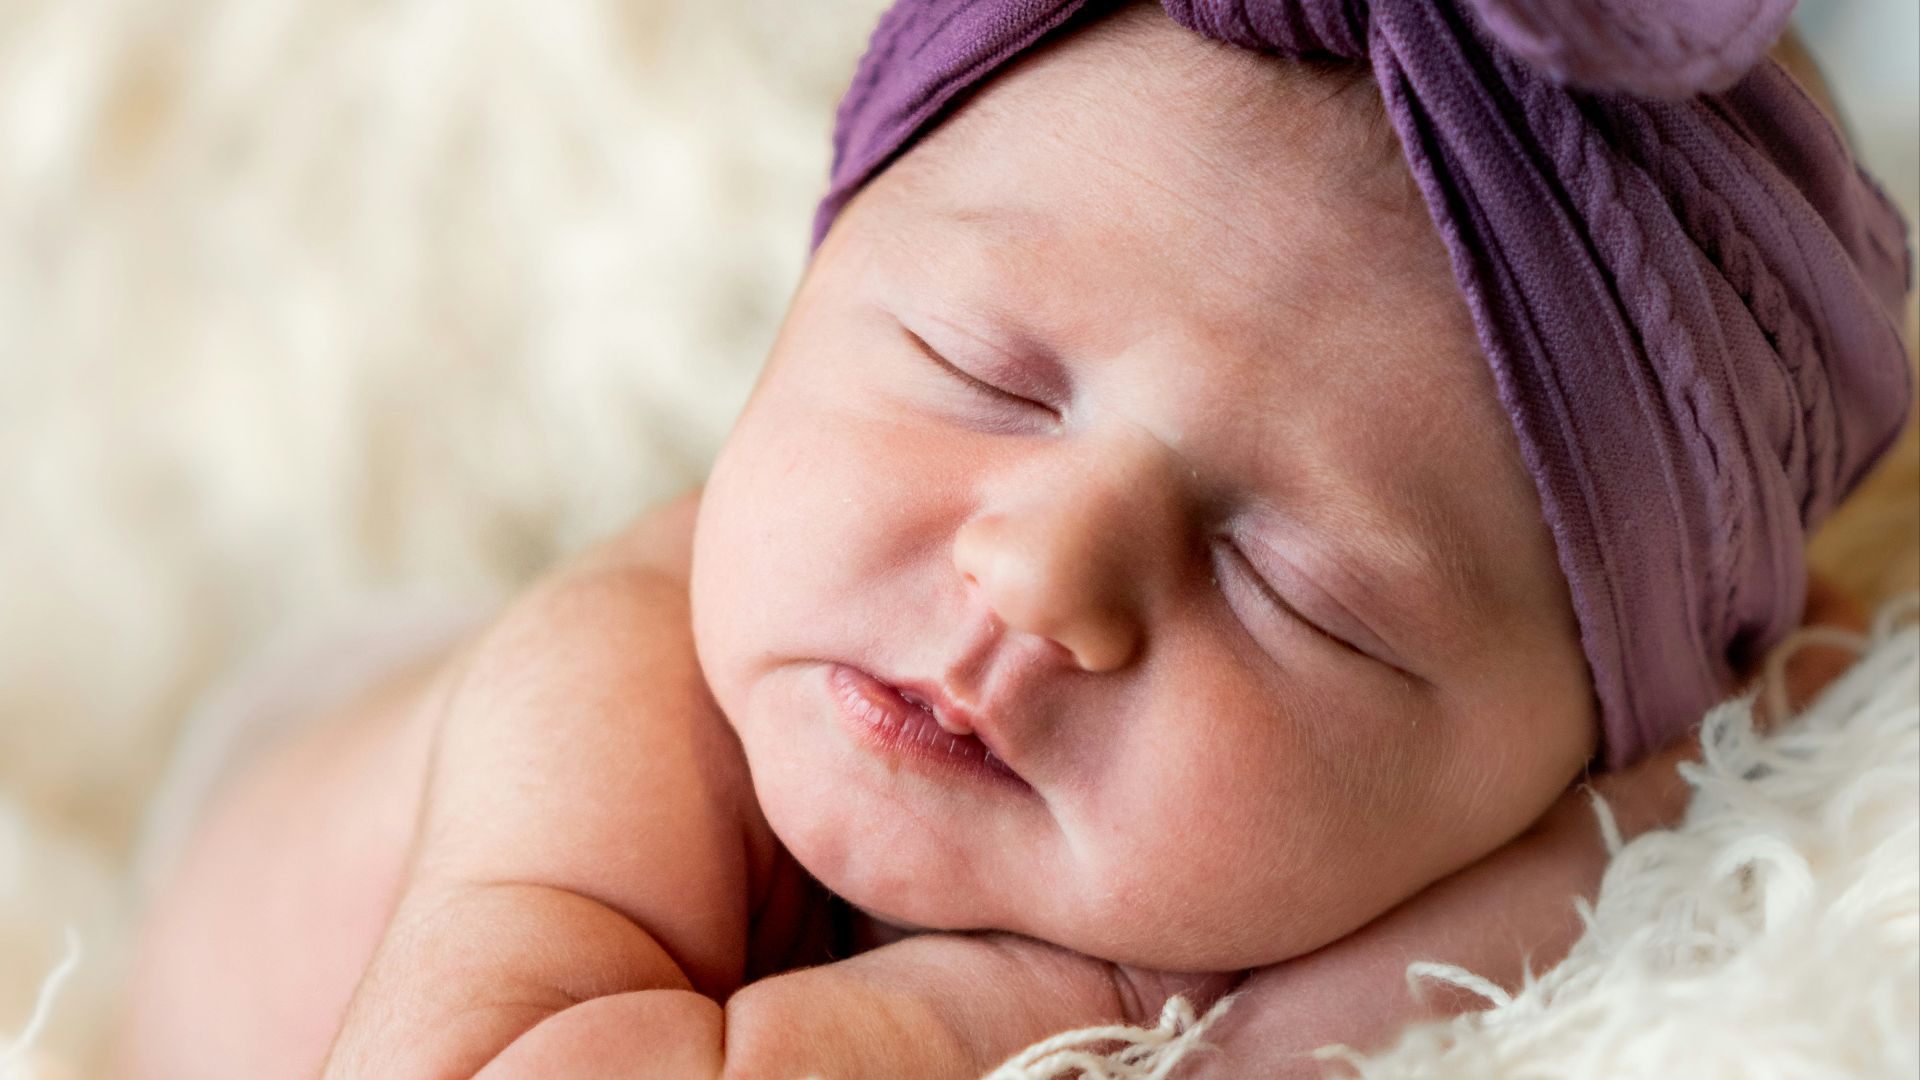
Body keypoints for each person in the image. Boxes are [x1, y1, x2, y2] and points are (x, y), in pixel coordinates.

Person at [117, 1, 1912, 1076]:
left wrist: (1658, 801)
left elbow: (1745, 757)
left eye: (1301, 592)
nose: (1041, 572)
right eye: (975, 373)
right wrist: (1107, 1006)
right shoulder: (606, 697)